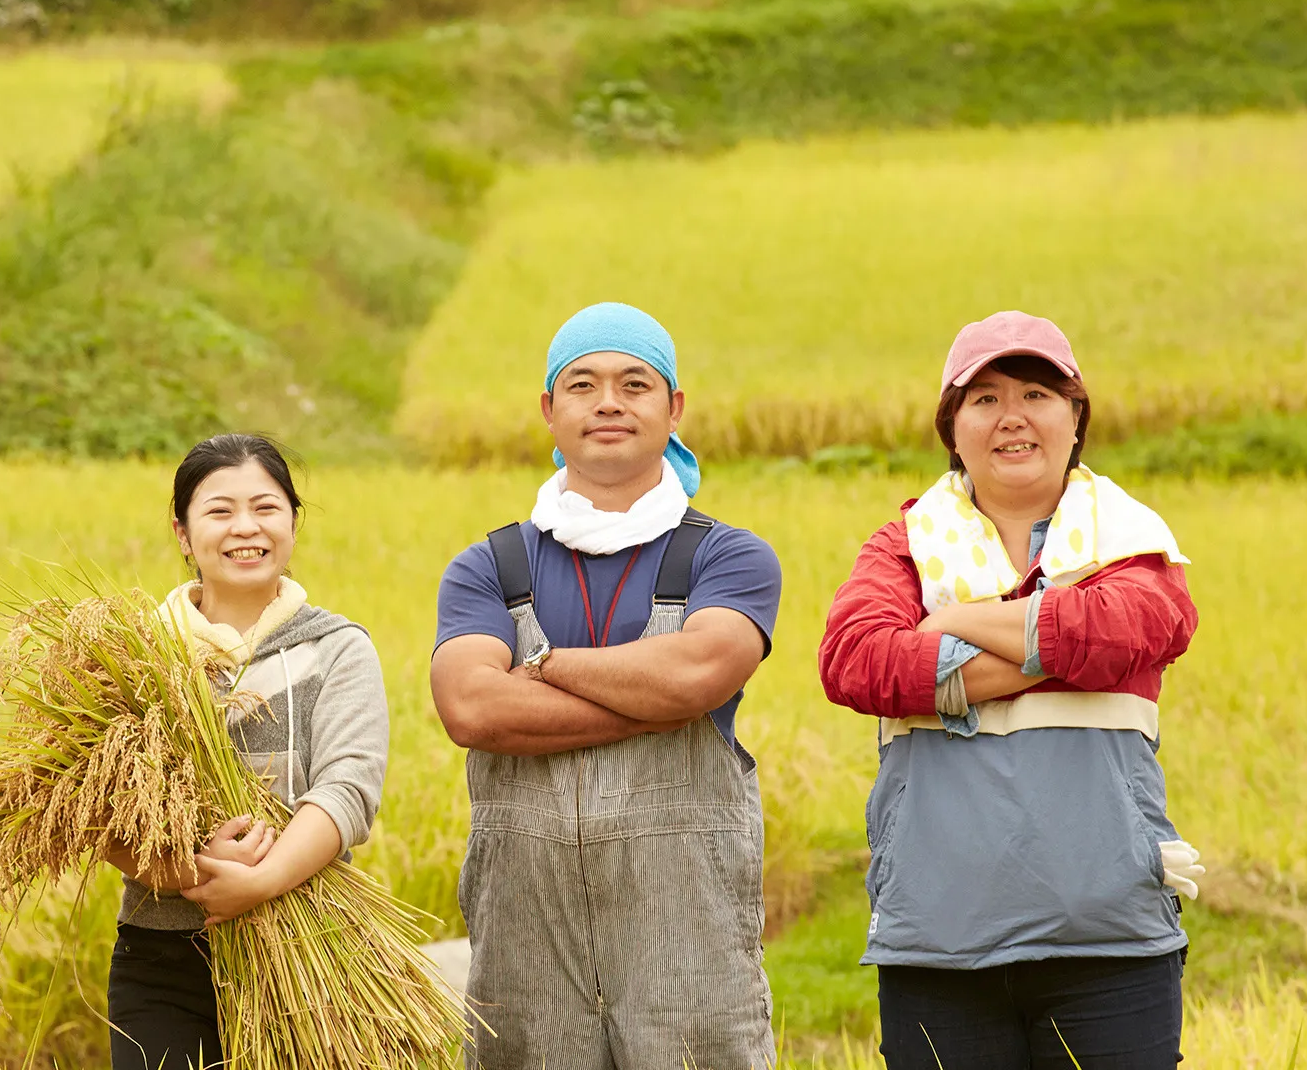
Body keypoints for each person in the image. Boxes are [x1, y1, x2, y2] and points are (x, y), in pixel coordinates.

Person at [818, 310, 1203, 1069]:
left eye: (1037, 393)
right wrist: (1060, 648)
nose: (1013, 418)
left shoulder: (1132, 542)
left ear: (1075, 416)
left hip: (1109, 941)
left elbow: (1138, 627)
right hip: (939, 941)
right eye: (984, 398)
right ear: (952, 427)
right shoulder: (903, 546)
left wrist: (955, 620)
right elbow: (855, 660)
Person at [429, 302, 784, 1069]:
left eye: (636, 382)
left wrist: (548, 666)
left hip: (688, 958)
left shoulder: (729, 558)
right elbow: (471, 705)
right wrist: (651, 697)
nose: (610, 402)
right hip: (526, 956)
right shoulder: (490, 565)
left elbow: (696, 672)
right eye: (583, 385)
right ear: (550, 411)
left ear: (674, 408)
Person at [100, 433, 390, 1070]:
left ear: (292, 521)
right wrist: (186, 876)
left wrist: (259, 880)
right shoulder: (134, 659)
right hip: (162, 960)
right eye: (219, 510)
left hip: (313, 954)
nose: (245, 528)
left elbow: (348, 790)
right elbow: (96, 810)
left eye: (265, 507)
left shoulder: (338, 648)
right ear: (182, 532)